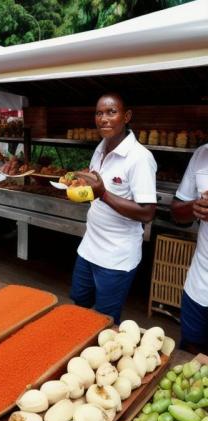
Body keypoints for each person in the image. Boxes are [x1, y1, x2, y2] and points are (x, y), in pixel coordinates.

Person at [70, 93, 157, 324]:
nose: (104, 119)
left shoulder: (139, 158)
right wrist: (79, 186)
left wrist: (104, 194)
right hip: (89, 247)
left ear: (126, 116)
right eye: (99, 113)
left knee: (105, 319)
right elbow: (95, 190)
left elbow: (147, 212)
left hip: (117, 257)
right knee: (79, 303)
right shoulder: (100, 148)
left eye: (111, 112)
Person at [171, 144, 208, 355]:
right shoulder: (202, 154)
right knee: (189, 357)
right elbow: (177, 213)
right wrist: (195, 207)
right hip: (199, 284)